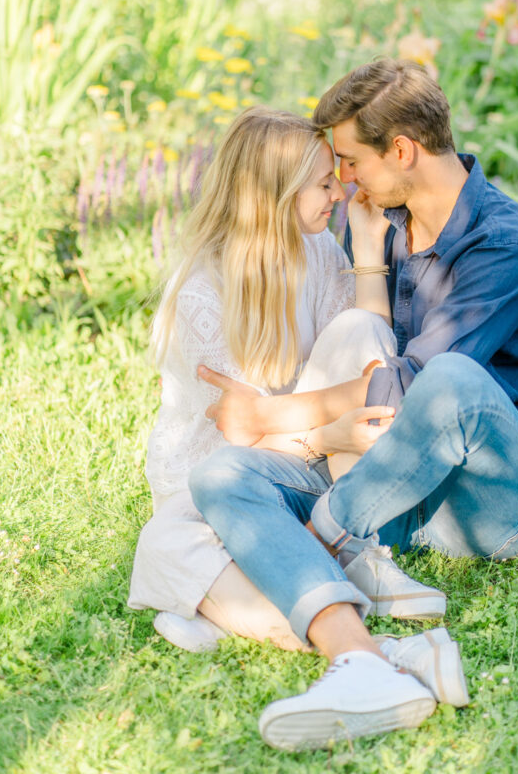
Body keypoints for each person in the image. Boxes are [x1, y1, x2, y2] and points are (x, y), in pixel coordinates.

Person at [189, 58, 518, 751]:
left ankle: (326, 537)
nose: (342, 180)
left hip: (496, 503)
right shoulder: (382, 223)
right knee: (221, 475)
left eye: (349, 161)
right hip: (392, 482)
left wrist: (273, 417)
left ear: (401, 151)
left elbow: (413, 384)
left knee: (450, 379)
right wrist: (367, 251)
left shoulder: (503, 245)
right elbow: (364, 353)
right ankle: (367, 662)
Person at [128, 106, 451, 657]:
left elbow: (367, 355)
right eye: (324, 184)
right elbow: (237, 445)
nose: (340, 194)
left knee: (358, 325)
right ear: (274, 196)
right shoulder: (202, 294)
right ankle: (330, 610)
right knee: (164, 541)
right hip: (222, 478)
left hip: (308, 462)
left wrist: (366, 247)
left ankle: (298, 575)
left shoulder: (318, 249)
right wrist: (329, 436)